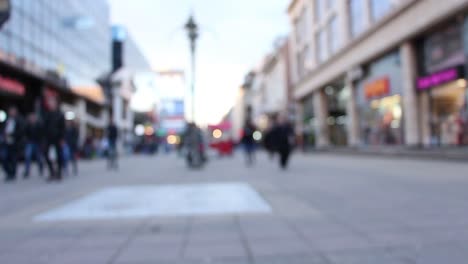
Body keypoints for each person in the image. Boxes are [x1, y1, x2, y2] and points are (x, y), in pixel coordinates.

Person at [43, 98, 66, 182]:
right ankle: (52, 172)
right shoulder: (47, 114)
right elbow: (44, 127)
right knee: (46, 154)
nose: (51, 104)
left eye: (52, 102)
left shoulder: (60, 114)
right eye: (50, 103)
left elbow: (63, 128)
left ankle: (59, 172)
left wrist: (62, 138)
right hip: (48, 138)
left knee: (59, 155)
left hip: (58, 138)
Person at [1, 107, 24, 182]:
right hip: (6, 142)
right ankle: (8, 172)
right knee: (4, 157)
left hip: (14, 142)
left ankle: (12, 174)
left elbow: (21, 132)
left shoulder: (19, 120)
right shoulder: (6, 120)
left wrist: (12, 135)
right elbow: (3, 129)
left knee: (13, 158)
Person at [23, 113, 44, 178]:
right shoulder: (27, 125)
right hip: (30, 142)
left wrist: (41, 142)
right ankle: (27, 171)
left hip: (37, 143)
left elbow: (42, 134)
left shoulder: (39, 125)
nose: (32, 119)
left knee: (38, 157)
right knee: (27, 156)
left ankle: (41, 168)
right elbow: (25, 133)